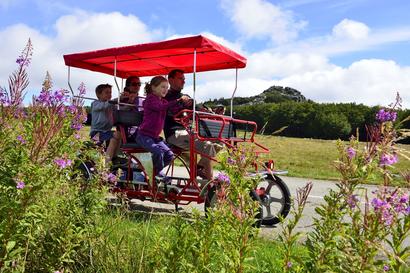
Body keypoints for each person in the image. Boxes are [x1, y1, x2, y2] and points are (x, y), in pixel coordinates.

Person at [164, 69, 217, 180]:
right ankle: (209, 182)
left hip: (187, 132)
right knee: (207, 146)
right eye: (180, 78)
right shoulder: (164, 96)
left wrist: (205, 110)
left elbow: (197, 111)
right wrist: (180, 101)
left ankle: (197, 168)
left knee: (218, 142)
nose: (183, 81)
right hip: (174, 133)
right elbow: (166, 109)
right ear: (170, 80)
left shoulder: (186, 97)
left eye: (184, 79)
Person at [136, 76, 189, 179]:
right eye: (162, 87)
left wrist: (184, 104)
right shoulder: (150, 99)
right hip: (144, 135)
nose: (165, 90)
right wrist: (178, 100)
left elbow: (170, 108)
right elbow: (160, 107)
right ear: (153, 88)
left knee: (169, 155)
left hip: (155, 137)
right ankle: (155, 173)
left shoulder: (164, 102)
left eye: (167, 87)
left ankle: (153, 172)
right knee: (158, 152)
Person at [90, 83, 121, 163]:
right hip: (97, 132)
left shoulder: (110, 105)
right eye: (106, 92)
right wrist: (116, 100)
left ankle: (114, 157)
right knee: (113, 140)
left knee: (118, 134)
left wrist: (128, 101)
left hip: (106, 131)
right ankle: (106, 164)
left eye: (110, 92)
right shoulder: (95, 104)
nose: (109, 94)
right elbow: (103, 106)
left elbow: (120, 110)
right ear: (98, 94)